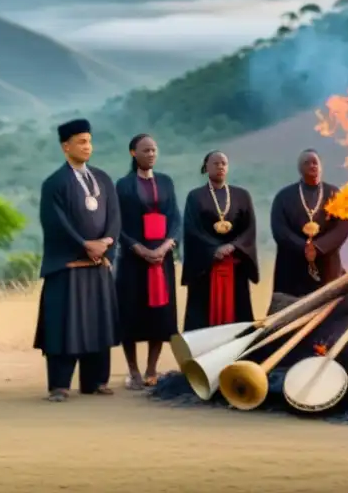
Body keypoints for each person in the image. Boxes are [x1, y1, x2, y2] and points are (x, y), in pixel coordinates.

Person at [33, 118, 121, 402]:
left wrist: (106, 242)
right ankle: (59, 385)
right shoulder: (54, 183)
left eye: (89, 141)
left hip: (98, 266)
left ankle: (95, 381)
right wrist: (85, 245)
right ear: (65, 146)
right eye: (81, 142)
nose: (87, 146)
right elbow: (55, 223)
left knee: (98, 324)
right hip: (68, 268)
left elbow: (115, 218)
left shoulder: (104, 179)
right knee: (64, 326)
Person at [115, 134, 181, 389]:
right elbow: (116, 222)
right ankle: (133, 371)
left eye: (154, 150)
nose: (151, 154)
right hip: (134, 259)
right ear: (133, 153)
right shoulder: (123, 185)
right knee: (130, 312)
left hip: (161, 258)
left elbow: (176, 218)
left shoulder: (166, 182)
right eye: (145, 150)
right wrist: (137, 248)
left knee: (160, 314)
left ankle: (152, 369)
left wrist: (166, 246)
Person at [181, 150, 259, 330]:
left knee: (237, 316)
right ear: (206, 167)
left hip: (235, 264)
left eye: (224, 163)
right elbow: (192, 229)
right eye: (215, 163)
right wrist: (213, 250)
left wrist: (233, 246)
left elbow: (249, 228)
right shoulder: (195, 196)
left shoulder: (241, 195)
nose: (220, 167)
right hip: (206, 266)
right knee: (202, 316)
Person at [271, 148, 348, 297]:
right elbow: (279, 229)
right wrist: (304, 247)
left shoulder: (335, 194)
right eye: (306, 163)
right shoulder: (284, 196)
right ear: (299, 169)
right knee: (293, 311)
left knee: (330, 311)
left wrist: (319, 247)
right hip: (292, 267)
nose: (312, 165)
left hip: (327, 265)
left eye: (315, 162)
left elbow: (343, 226)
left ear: (321, 166)